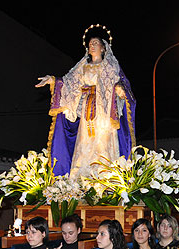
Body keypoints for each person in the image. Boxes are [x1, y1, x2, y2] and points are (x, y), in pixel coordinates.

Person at [36, 24, 136, 178]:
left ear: (103, 48)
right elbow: (69, 82)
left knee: (103, 142)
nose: (92, 46)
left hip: (103, 110)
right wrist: (53, 80)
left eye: (96, 43)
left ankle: (105, 177)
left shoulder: (109, 66)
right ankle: (81, 178)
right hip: (87, 109)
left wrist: (119, 89)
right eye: (90, 44)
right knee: (85, 141)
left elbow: (117, 82)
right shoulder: (83, 67)